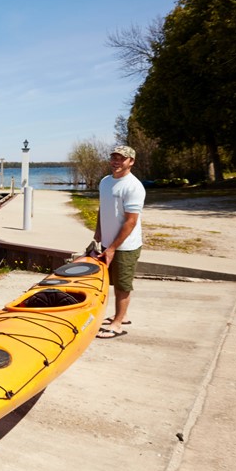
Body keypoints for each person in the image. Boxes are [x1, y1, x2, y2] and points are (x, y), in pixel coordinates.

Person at [94, 144, 146, 339]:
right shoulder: (105, 182)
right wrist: (98, 231)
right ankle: (120, 316)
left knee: (123, 285)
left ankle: (117, 324)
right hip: (108, 243)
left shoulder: (133, 186)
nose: (116, 161)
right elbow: (103, 207)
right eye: (114, 157)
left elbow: (131, 221)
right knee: (109, 282)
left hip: (125, 245)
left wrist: (113, 248)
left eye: (121, 158)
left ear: (131, 162)